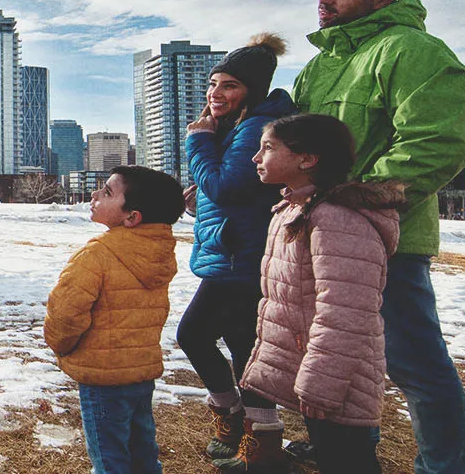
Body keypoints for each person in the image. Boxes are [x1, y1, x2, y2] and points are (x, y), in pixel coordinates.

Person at [290, 0, 465, 473]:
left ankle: (447, 466)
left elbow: (435, 143)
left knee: (415, 365)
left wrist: (354, 200)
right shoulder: (321, 65)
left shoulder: (413, 51)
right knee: (335, 355)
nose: (325, 0)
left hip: (385, 241)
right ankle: (346, 449)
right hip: (319, 236)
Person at [237, 113, 403, 474]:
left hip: (338, 378)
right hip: (318, 370)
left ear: (307, 159)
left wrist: (321, 383)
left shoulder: (337, 219)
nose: (256, 157)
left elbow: (346, 311)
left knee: (348, 461)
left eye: (268, 148)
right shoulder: (294, 209)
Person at [177, 33, 294, 462]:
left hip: (241, 256)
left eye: (229, 86)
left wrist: (198, 141)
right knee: (240, 341)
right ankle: (253, 435)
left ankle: (251, 434)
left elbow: (227, 186)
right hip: (235, 248)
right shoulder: (242, 125)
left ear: (252, 90)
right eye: (213, 84)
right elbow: (231, 188)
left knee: (198, 335)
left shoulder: (254, 126)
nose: (216, 93)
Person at [46, 165, 183, 474]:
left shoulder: (97, 255)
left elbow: (66, 311)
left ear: (131, 217)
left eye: (107, 192)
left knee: (109, 458)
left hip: (103, 377)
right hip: (140, 372)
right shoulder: (158, 253)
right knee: (142, 449)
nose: (95, 194)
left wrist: (61, 346)